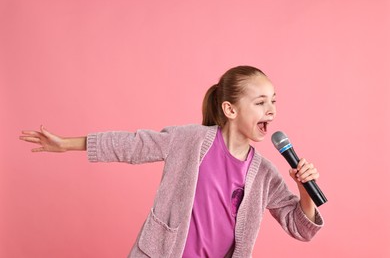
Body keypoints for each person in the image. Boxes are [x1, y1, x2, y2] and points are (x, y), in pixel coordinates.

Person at [19, 66, 324, 257]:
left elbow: (299, 227)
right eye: (260, 103)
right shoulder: (190, 140)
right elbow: (132, 145)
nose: (271, 110)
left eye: (273, 101)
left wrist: (305, 191)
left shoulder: (265, 175)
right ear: (231, 110)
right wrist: (66, 144)